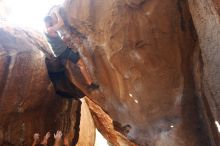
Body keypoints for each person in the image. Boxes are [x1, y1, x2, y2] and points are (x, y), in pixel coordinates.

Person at [44, 8, 99, 91]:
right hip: (64, 52)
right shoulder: (49, 29)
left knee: (76, 58)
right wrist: (56, 13)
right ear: (49, 22)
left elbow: (55, 40)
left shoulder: (46, 30)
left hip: (61, 52)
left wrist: (62, 39)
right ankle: (90, 84)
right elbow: (61, 23)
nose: (53, 22)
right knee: (81, 64)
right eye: (51, 21)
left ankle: (89, 83)